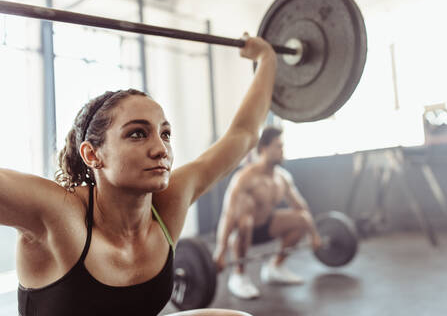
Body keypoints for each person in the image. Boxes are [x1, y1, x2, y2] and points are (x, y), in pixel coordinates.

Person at [0, 34, 276, 316]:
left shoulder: (169, 203)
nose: (161, 149)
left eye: (165, 134)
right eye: (137, 134)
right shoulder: (59, 213)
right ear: (92, 154)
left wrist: (267, 59)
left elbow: (243, 134)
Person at [213, 126, 322, 300]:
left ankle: (275, 268)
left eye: (283, 146)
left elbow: (301, 207)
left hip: (267, 226)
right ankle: (239, 276)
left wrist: (314, 235)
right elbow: (228, 215)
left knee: (302, 219)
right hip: (242, 232)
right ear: (264, 149)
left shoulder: (282, 177)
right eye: (278, 146)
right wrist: (220, 251)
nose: (282, 151)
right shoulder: (245, 178)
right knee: (246, 220)